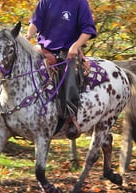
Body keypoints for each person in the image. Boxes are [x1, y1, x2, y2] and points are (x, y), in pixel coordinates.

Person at [25, 0, 97, 139]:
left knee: (69, 80)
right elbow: (36, 22)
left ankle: (70, 118)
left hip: (67, 51)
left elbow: (88, 30)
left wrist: (75, 47)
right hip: (44, 49)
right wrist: (28, 35)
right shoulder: (46, 1)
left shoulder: (80, 3)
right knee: (22, 69)